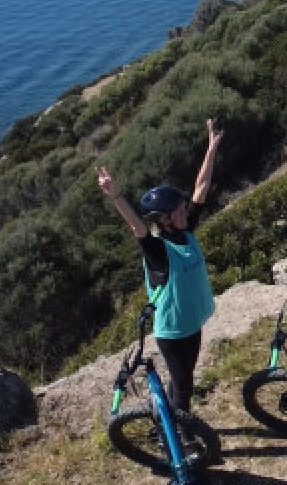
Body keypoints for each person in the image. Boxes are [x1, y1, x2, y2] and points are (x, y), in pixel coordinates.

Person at [96, 118, 224, 414]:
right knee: (184, 387)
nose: (185, 212)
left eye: (183, 209)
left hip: (192, 323)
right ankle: (180, 433)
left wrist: (211, 147)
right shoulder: (158, 250)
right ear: (163, 220)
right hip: (172, 331)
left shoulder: (185, 231)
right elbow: (137, 227)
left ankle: (164, 418)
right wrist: (114, 195)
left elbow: (201, 187)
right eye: (178, 211)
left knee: (184, 380)